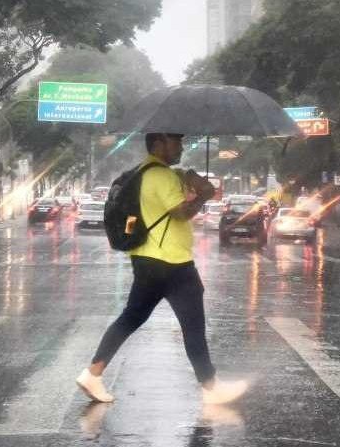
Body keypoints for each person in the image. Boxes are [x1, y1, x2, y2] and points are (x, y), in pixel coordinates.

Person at [76, 133, 248, 406]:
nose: (180, 147)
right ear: (158, 145)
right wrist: (204, 195)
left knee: (131, 318)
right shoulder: (162, 176)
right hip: (172, 263)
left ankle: (93, 373)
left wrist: (188, 183)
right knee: (193, 325)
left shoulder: (144, 172)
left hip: (147, 259)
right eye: (175, 142)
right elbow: (180, 213)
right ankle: (211, 387)